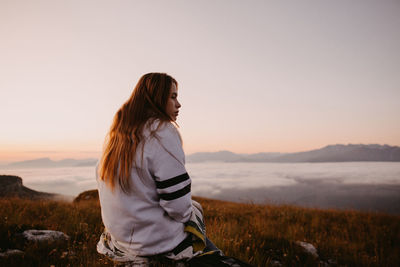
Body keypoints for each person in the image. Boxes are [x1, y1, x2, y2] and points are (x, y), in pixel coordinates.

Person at [95, 73, 219, 266]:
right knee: (195, 210)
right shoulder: (162, 132)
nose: (179, 104)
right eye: (173, 97)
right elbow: (178, 207)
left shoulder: (117, 136)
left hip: (121, 239)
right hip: (155, 242)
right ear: (157, 99)